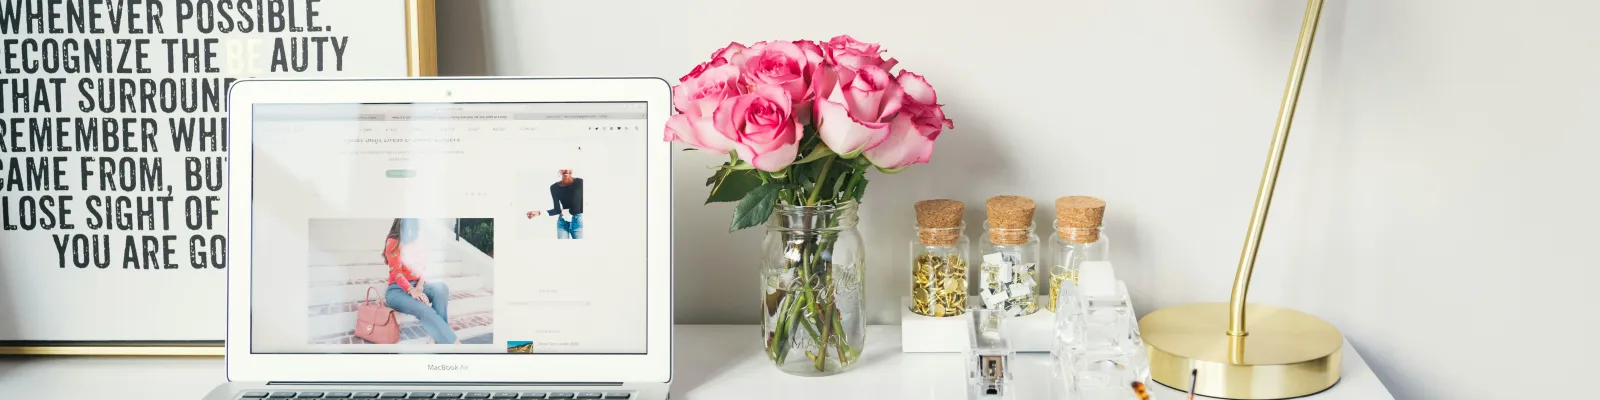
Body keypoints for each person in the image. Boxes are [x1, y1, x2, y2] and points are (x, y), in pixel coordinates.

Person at [381, 218, 459, 344]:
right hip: (396, 290)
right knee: (424, 309)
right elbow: (397, 273)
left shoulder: (420, 241)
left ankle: (437, 339)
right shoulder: (393, 241)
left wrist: (419, 286)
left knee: (441, 288)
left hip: (417, 284)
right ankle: (454, 344)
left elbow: (423, 268)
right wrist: (411, 290)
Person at [526, 169, 583, 239]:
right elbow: (557, 210)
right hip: (563, 222)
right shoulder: (554, 187)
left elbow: (579, 207)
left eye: (569, 168)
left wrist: (565, 211)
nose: (567, 171)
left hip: (577, 221)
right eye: (563, 168)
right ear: (559, 170)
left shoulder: (580, 182)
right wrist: (539, 213)